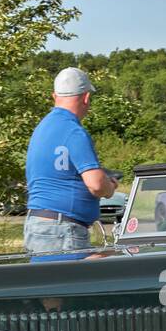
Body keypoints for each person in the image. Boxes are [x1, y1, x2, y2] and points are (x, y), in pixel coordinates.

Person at [23, 67, 119, 253]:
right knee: (80, 279)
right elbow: (96, 185)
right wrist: (110, 188)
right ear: (86, 98)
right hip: (62, 229)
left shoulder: (42, 128)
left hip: (38, 224)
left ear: (54, 96)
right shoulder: (74, 131)